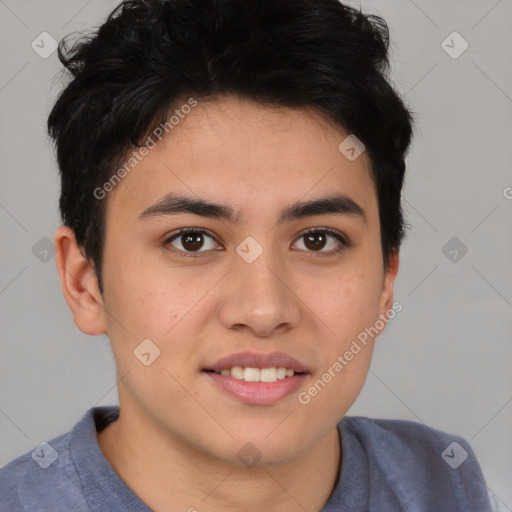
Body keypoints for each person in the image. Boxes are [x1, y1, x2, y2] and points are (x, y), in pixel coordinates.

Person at [0, 0, 493, 510]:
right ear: (85, 282)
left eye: (318, 239)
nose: (263, 310)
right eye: (192, 240)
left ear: (386, 280)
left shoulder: (445, 484)